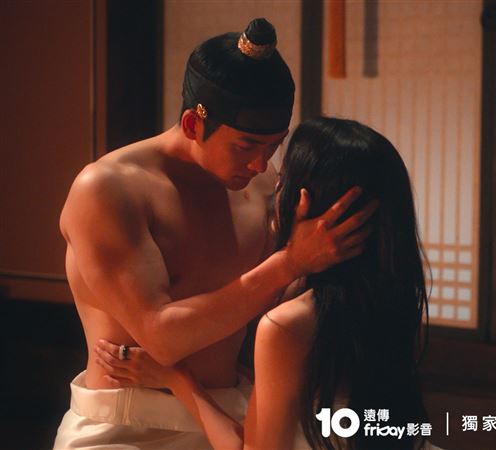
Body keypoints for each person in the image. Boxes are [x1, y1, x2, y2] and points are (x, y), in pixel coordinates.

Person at [53, 19, 376, 450]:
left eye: (273, 146)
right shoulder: (109, 189)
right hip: (124, 423)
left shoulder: (261, 184)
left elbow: (270, 304)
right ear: (192, 124)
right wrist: (291, 261)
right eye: (246, 146)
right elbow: (162, 339)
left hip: (229, 412)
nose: (261, 164)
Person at [95, 117, 435, 450]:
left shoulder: (287, 325)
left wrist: (177, 380)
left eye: (283, 179)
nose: (271, 187)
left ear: (306, 202)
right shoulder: (398, 305)